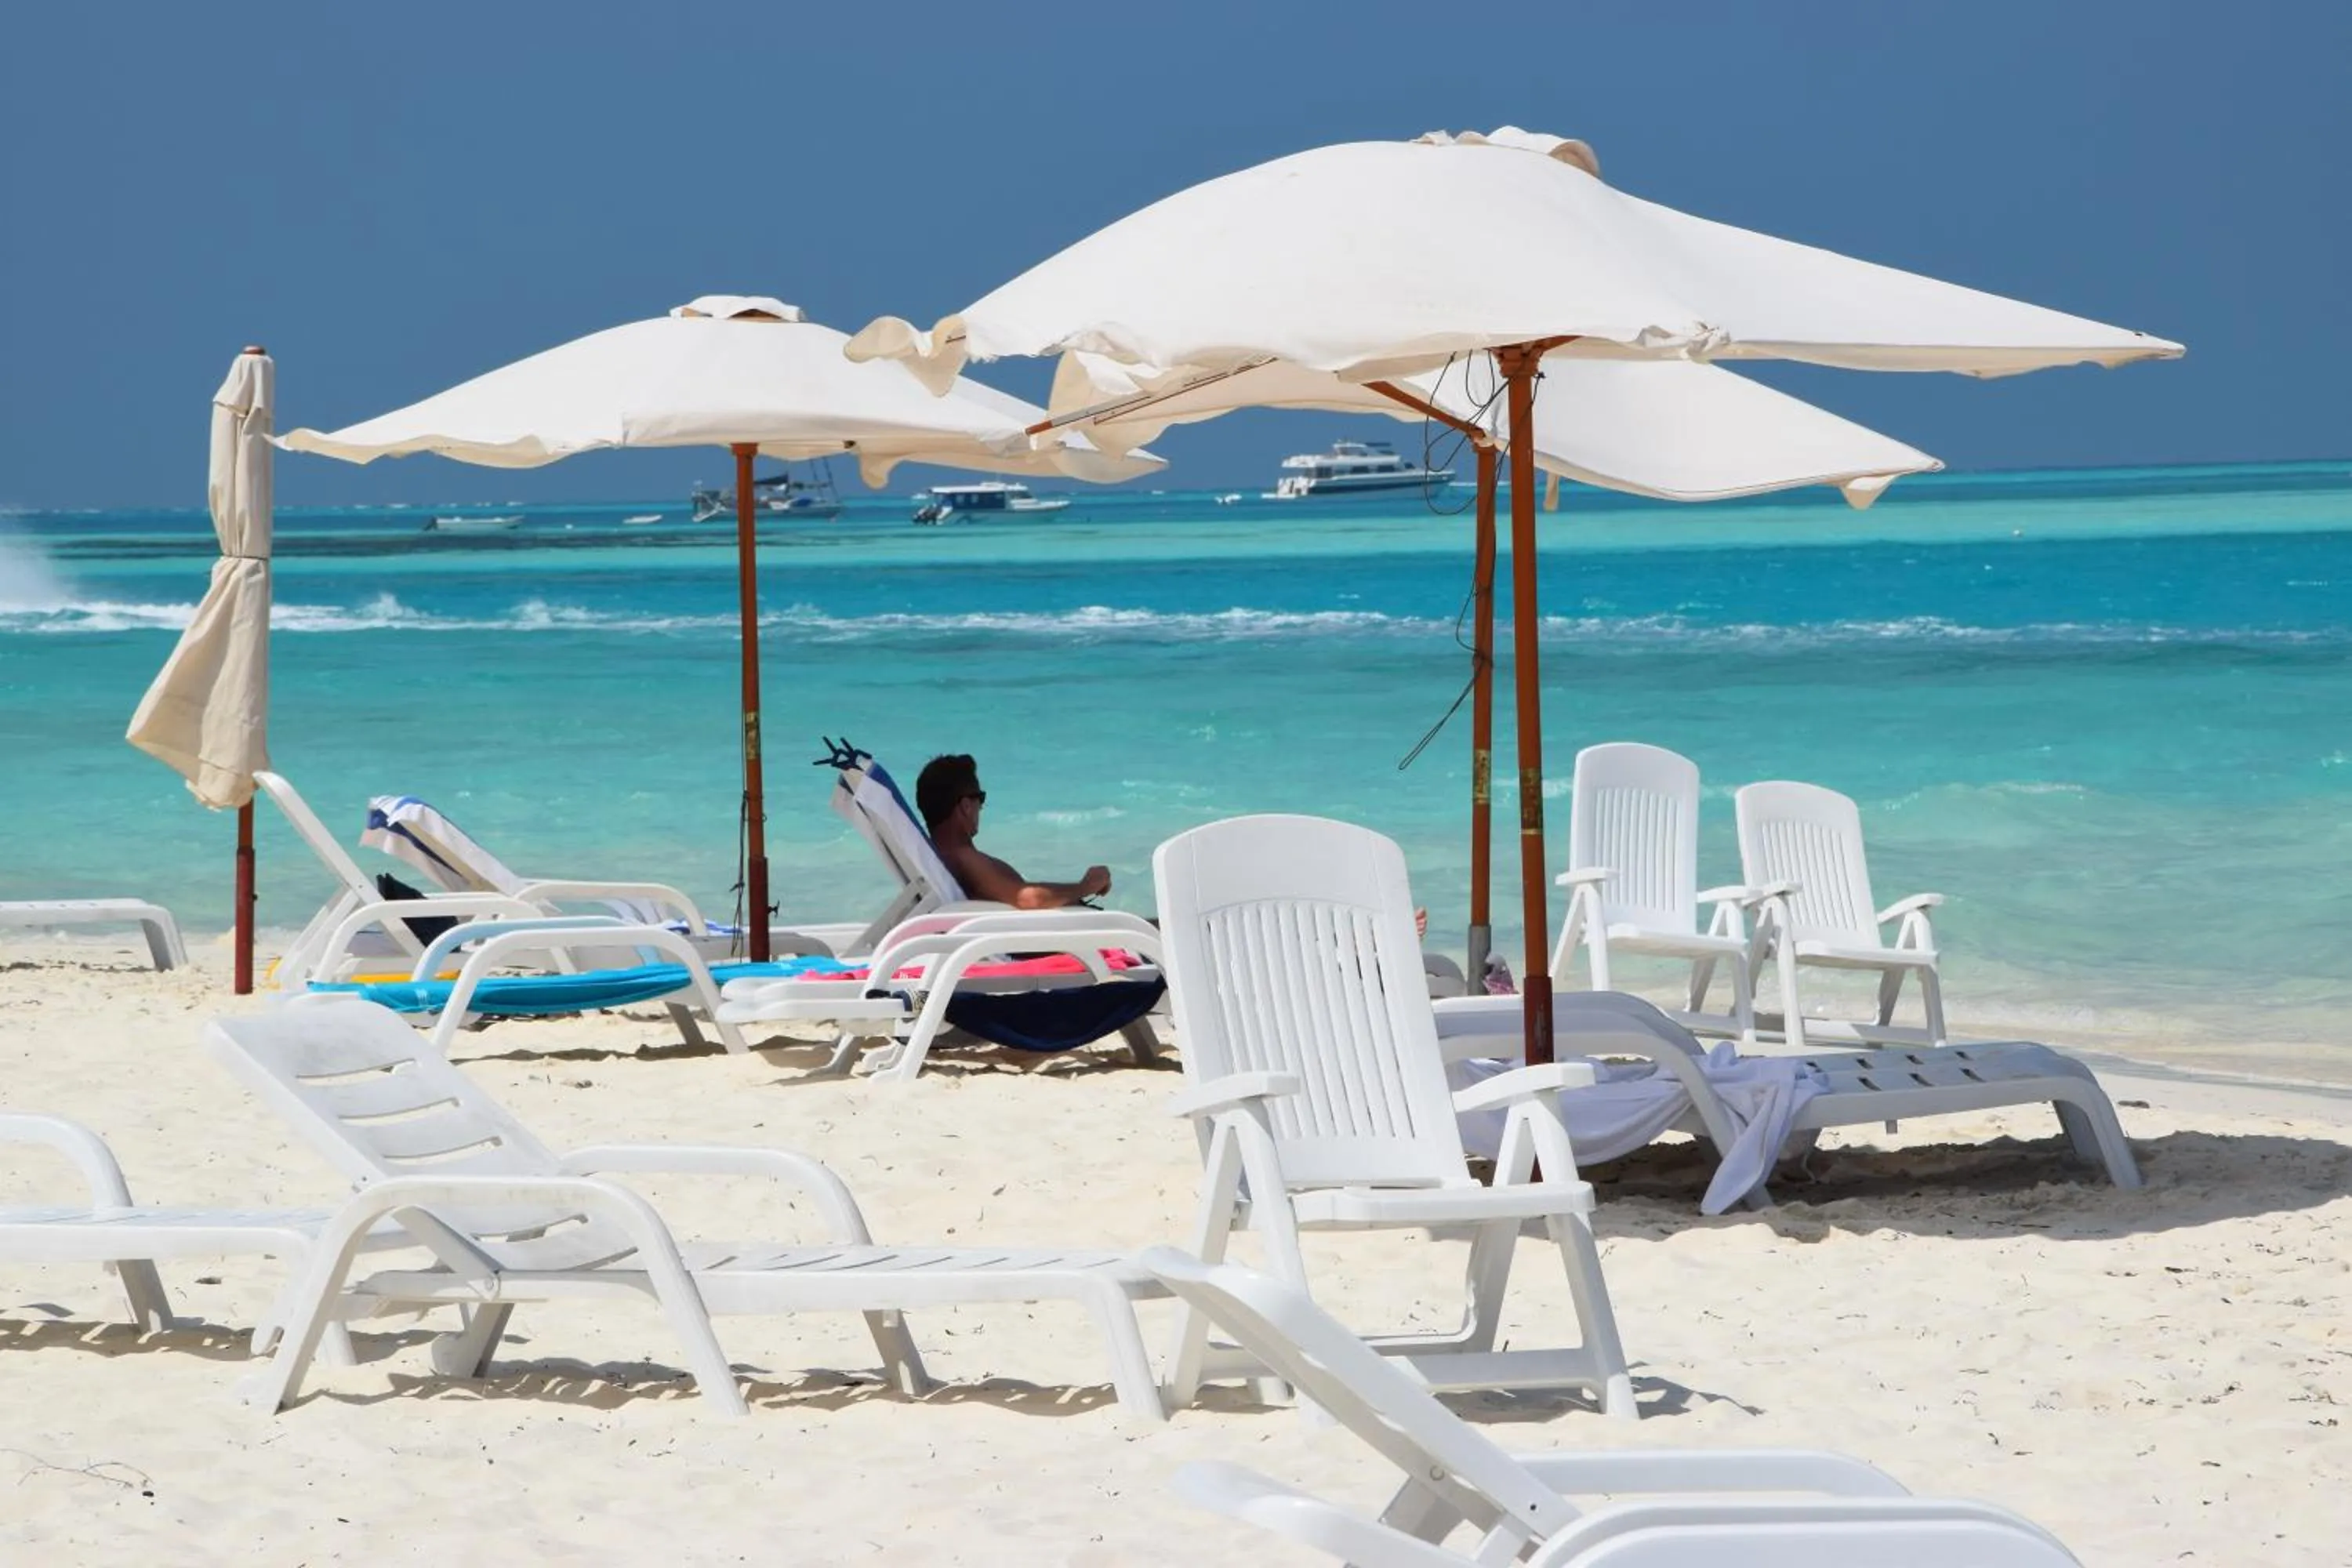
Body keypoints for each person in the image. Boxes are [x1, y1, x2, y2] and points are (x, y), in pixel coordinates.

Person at [914, 753, 1112, 910]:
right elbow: (1026, 899)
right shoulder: (963, 857)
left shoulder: (940, 858)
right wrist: (1087, 885)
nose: (981, 808)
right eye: (980, 798)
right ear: (966, 806)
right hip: (1054, 946)